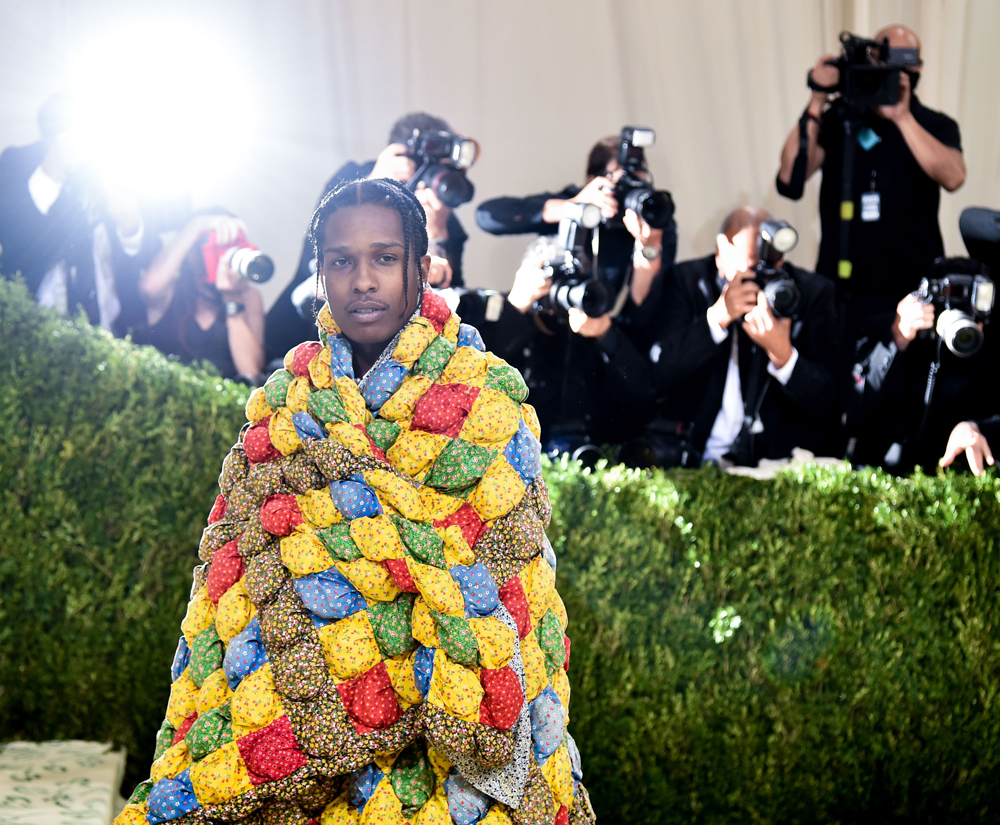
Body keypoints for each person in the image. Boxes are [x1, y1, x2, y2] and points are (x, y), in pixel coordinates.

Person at [115, 177, 594, 825]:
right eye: (342, 261)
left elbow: (509, 577)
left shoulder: (484, 402)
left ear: (419, 268)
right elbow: (234, 584)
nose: (362, 279)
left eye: (384, 258)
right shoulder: (286, 408)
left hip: (445, 756)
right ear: (320, 273)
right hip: (305, 739)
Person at [471, 135, 677, 454]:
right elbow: (488, 215)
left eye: (639, 180)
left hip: (605, 339)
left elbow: (642, 312)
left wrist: (649, 246)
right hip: (547, 333)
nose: (629, 192)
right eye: (620, 182)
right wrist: (573, 207)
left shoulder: (653, 218)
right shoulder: (575, 201)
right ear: (595, 181)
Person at [777, 25, 965, 346]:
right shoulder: (844, 119)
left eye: (905, 60)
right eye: (884, 57)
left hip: (909, 290)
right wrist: (817, 99)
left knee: (901, 387)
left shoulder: (935, 124)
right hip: (840, 288)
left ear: (918, 68)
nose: (894, 69)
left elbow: (953, 177)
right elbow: (789, 176)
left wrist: (902, 117)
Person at [634, 207, 839, 467]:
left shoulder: (810, 292)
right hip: (694, 455)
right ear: (721, 253)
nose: (761, 278)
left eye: (772, 265)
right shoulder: (687, 282)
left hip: (776, 463)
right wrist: (718, 317)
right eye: (752, 267)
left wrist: (784, 356)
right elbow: (657, 373)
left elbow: (830, 401)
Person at [265, 112, 470, 364]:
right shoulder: (356, 175)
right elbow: (317, 255)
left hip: (397, 354)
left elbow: (451, 303)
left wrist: (436, 236)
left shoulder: (443, 213)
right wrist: (372, 183)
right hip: (303, 335)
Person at [0, 93, 156, 334]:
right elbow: (12, 231)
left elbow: (147, 254)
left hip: (113, 332)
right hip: (31, 329)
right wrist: (51, 169)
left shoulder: (115, 168)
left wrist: (130, 225)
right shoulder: (18, 162)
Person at [848, 289, 1000, 474]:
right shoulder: (892, 326)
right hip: (881, 469)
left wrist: (976, 427)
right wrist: (899, 337)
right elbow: (856, 404)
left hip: (946, 476)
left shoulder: (989, 352)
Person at [132, 212, 264, 381]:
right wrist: (196, 226)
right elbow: (149, 287)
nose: (222, 256)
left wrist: (232, 299)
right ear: (192, 253)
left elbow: (251, 373)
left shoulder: (248, 296)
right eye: (215, 248)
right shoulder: (171, 289)